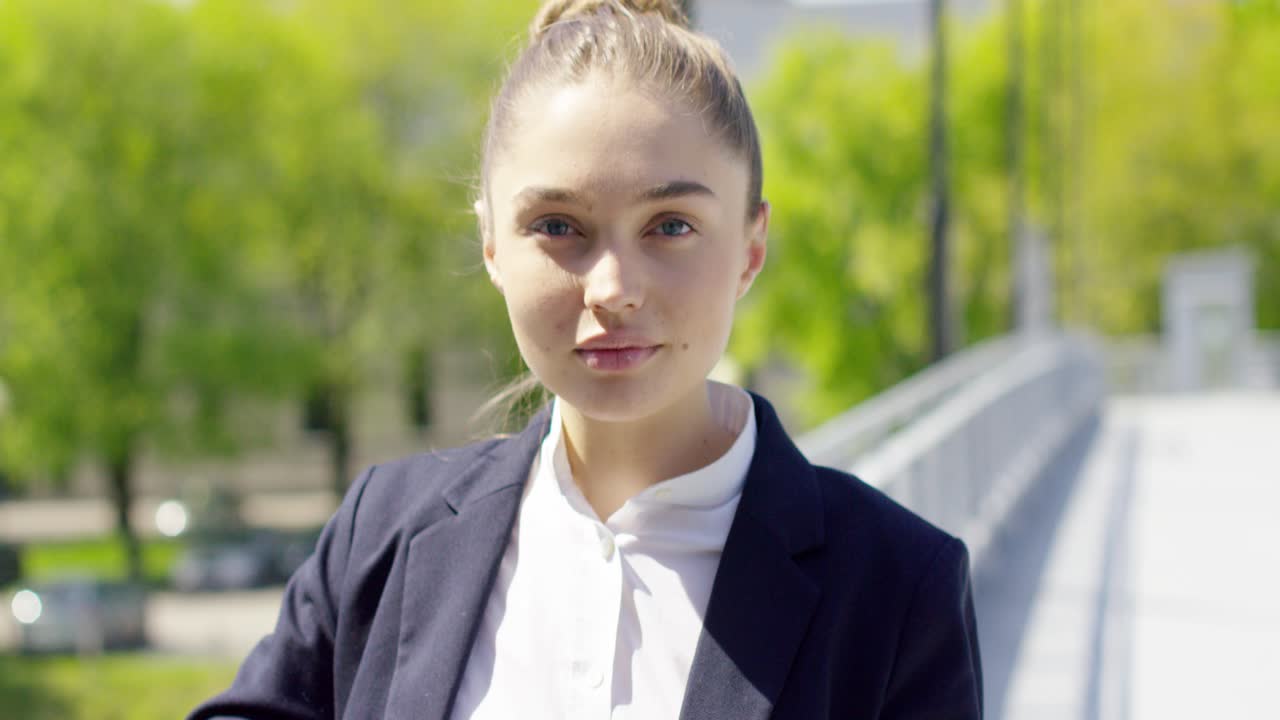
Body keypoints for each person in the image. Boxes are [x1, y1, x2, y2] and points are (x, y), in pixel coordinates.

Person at [188, 1, 982, 718]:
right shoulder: (384, 532)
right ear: (491, 242)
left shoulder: (895, 588)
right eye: (559, 226)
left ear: (751, 246)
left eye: (671, 226)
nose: (613, 288)